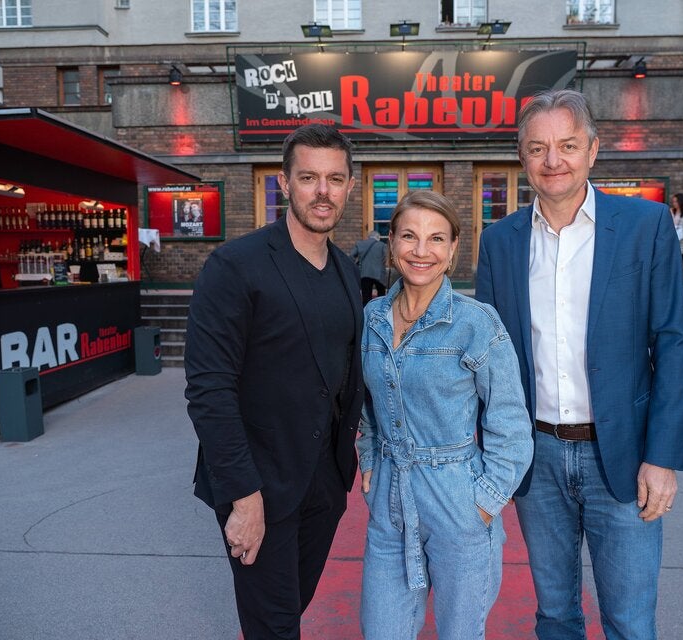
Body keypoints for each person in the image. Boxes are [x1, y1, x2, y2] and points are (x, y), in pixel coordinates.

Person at [475, 89, 683, 640]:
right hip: (538, 457)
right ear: (522, 158)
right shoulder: (500, 242)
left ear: (593, 151)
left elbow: (674, 342)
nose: (554, 161)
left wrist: (662, 457)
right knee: (555, 616)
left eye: (568, 145)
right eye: (538, 148)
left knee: (629, 620)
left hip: (621, 456)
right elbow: (488, 359)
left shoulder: (645, 226)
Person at [184, 123, 362, 639]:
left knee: (290, 609)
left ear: (350, 186)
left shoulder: (348, 273)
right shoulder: (234, 267)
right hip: (259, 486)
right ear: (284, 184)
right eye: (309, 177)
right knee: (275, 626)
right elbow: (209, 390)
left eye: (334, 178)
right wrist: (243, 497)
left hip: (324, 484)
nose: (322, 191)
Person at [357, 190, 533, 639]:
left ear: (453, 249)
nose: (422, 251)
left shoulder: (477, 323)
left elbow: (511, 421)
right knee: (382, 631)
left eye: (436, 239)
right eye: (409, 236)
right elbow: (364, 402)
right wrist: (371, 460)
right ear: (391, 244)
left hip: (458, 498)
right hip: (389, 504)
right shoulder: (371, 318)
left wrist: (485, 502)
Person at [350, 230, 389, 305]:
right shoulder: (382, 245)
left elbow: (351, 256)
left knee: (366, 297)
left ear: (368, 237)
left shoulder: (360, 244)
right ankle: (380, 312)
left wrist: (355, 266)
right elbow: (386, 258)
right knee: (381, 295)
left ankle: (366, 313)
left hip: (364, 273)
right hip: (379, 274)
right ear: (378, 237)